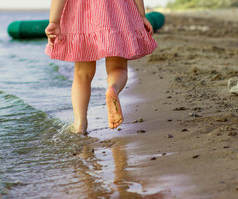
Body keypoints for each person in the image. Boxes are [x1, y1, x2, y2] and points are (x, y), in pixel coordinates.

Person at [45, 0, 157, 134]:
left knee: (82, 75)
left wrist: (54, 21)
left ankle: (80, 124)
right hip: (118, 12)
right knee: (118, 68)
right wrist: (142, 15)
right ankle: (113, 88)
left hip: (82, 17)